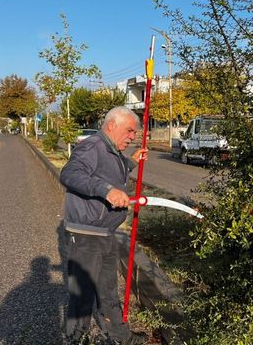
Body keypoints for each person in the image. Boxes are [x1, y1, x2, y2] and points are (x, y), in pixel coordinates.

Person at [60, 106, 148, 344]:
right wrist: (106, 191)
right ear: (112, 125)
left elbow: (106, 172)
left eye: (135, 133)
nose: (132, 137)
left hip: (105, 232)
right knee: (83, 294)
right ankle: (76, 339)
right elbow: (70, 174)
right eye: (129, 131)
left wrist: (131, 163)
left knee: (108, 290)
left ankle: (120, 336)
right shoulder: (93, 146)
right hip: (87, 233)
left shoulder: (111, 149)